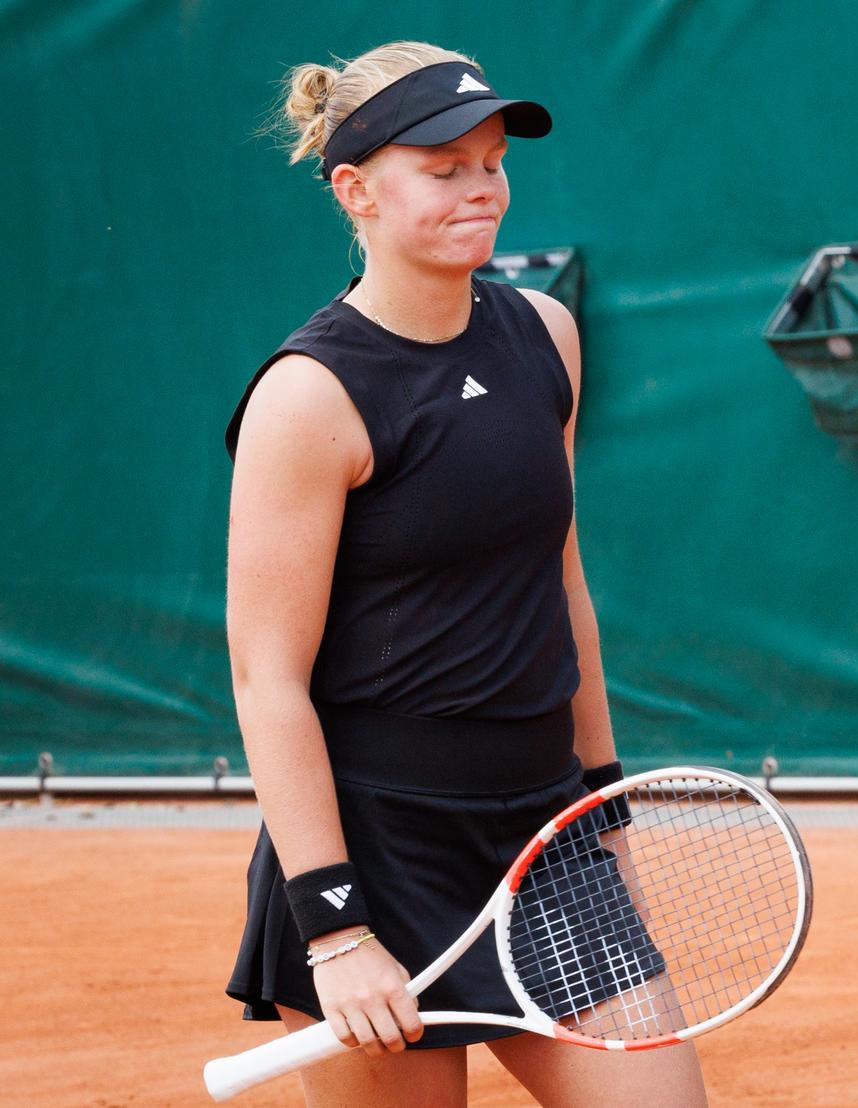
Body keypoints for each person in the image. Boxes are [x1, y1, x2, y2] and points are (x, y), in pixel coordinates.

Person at [222, 40, 708, 1107]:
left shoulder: (548, 337)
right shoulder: (308, 399)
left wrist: (600, 810)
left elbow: (560, 587)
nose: (481, 188)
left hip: (545, 835)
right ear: (354, 189)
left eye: (491, 161)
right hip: (377, 847)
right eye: (443, 169)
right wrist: (336, 923)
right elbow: (267, 678)